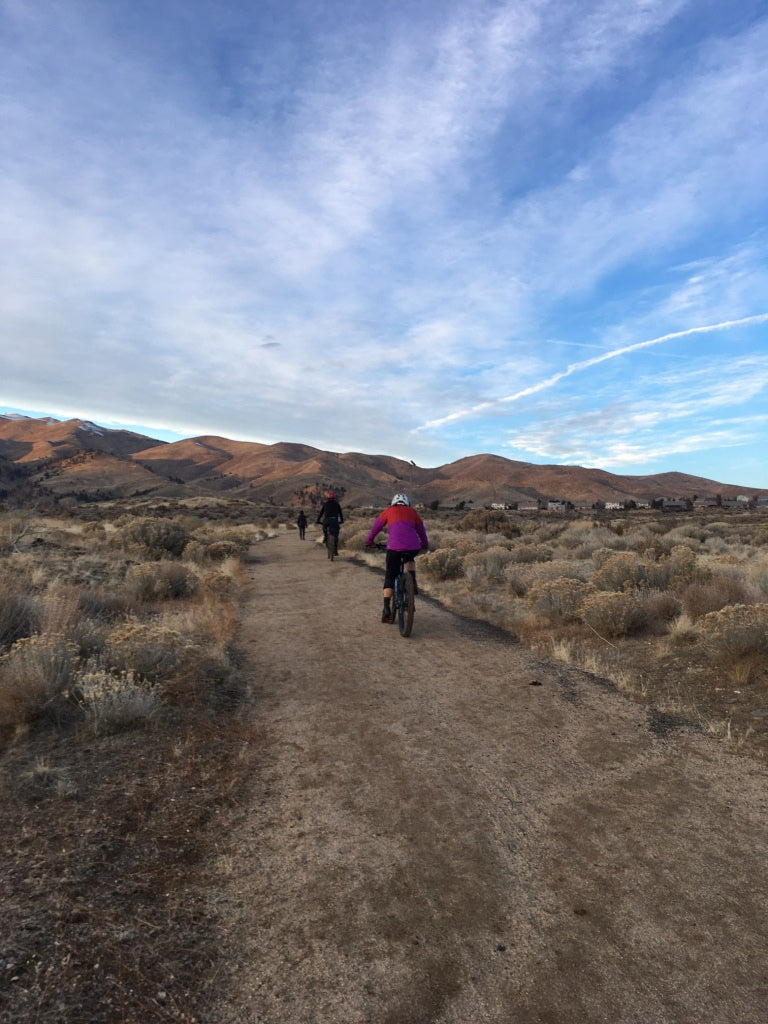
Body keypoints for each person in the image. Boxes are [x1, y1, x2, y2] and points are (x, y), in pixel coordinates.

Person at [365, 493, 429, 623]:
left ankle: (386, 609)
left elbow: (376, 527)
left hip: (394, 548)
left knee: (390, 576)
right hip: (413, 547)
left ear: (393, 502)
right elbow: (421, 531)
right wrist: (424, 543)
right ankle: (413, 582)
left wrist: (369, 541)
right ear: (407, 503)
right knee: (410, 559)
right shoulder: (413, 512)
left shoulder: (388, 510)